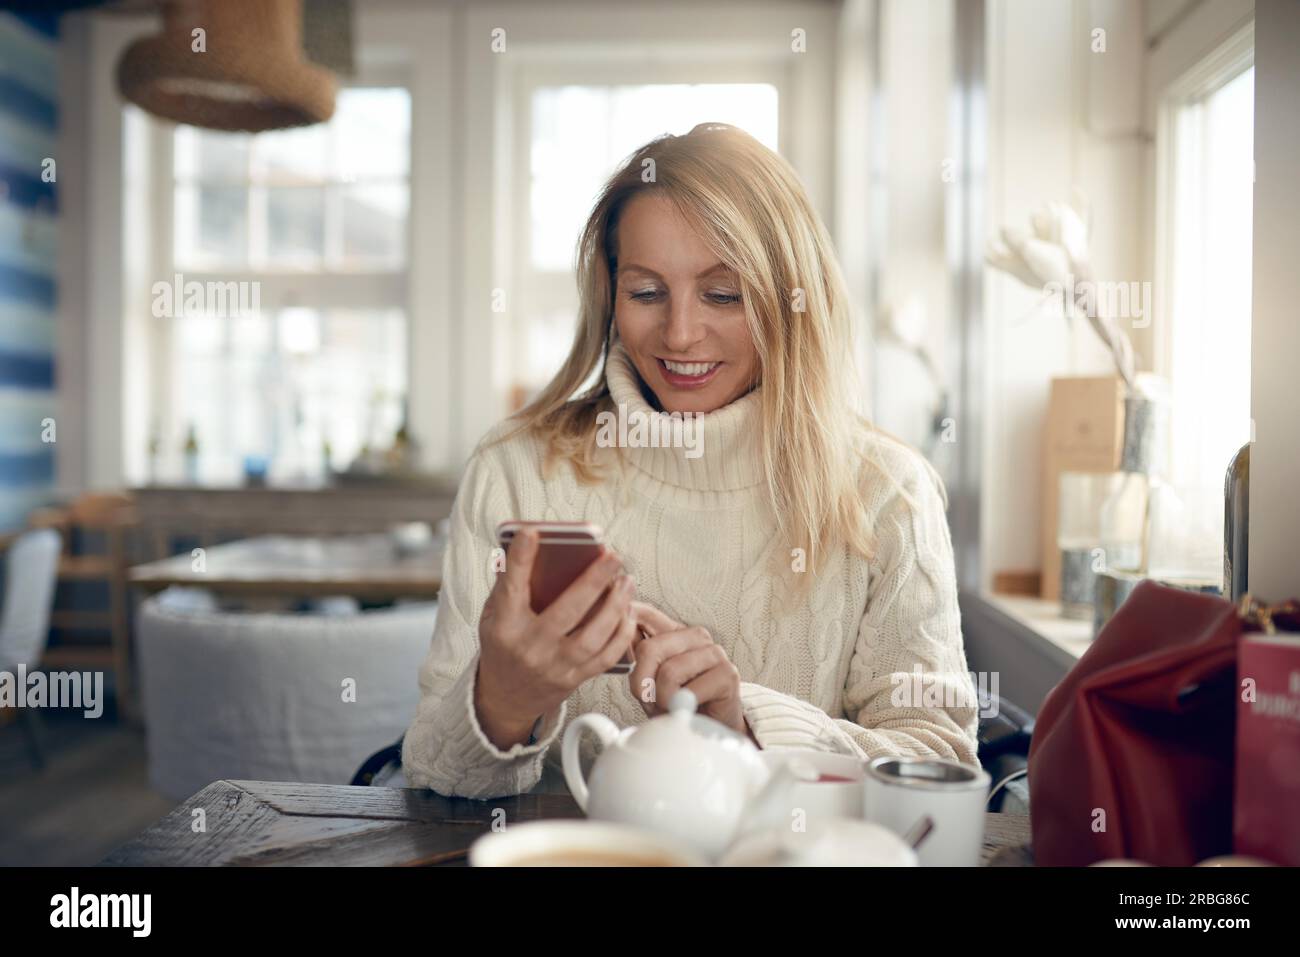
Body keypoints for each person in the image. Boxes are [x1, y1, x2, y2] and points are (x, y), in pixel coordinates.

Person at [402, 123, 978, 798]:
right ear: (611, 297)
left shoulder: (888, 492)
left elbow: (940, 768)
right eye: (646, 292)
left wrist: (748, 726)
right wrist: (502, 702)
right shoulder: (515, 469)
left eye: (723, 293)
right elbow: (432, 778)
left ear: (790, 298)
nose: (679, 334)